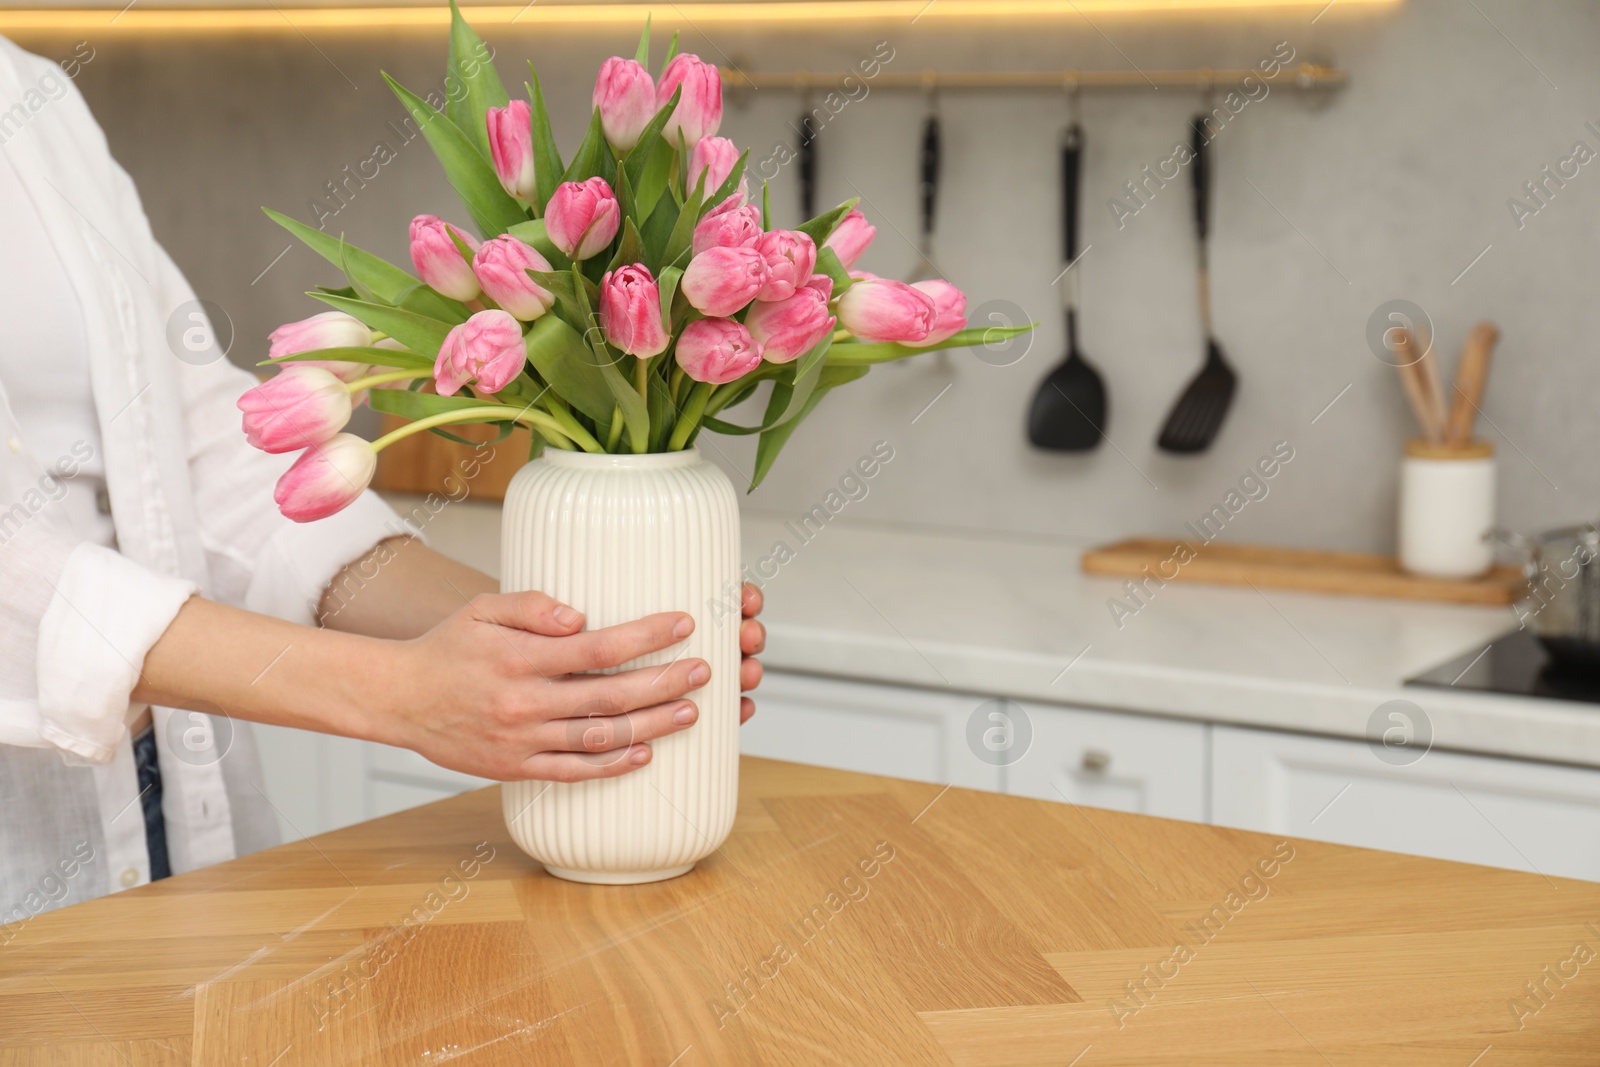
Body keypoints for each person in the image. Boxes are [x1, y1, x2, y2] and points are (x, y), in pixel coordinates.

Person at [0, 37, 764, 919]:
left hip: (166, 809)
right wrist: (397, 694)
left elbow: (216, 462)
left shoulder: (36, 97)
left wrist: (571, 652)